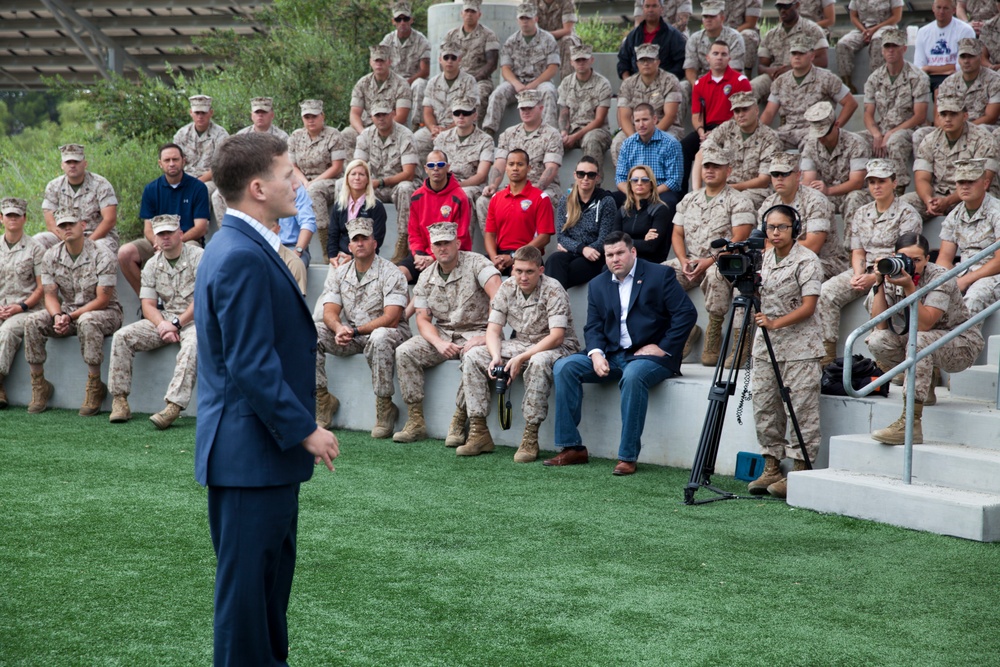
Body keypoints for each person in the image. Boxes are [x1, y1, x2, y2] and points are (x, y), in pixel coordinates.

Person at [194, 132, 339, 666]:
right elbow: (250, 364)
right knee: (246, 602)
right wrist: (306, 429)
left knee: (267, 595)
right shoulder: (239, 255)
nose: (296, 181)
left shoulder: (247, 245)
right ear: (257, 187)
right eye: (287, 173)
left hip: (261, 459)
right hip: (249, 458)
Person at [547, 231, 697, 475]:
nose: (614, 259)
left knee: (634, 374)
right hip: (612, 354)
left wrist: (663, 347)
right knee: (565, 367)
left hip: (649, 357)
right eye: (609, 255)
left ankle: (627, 456)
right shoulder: (598, 284)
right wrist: (596, 354)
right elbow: (593, 326)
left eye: (619, 253)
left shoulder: (660, 275)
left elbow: (686, 313)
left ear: (633, 252)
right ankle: (572, 447)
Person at [461, 244, 580, 459]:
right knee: (473, 355)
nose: (523, 277)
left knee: (539, 361)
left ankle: (530, 437)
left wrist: (521, 358)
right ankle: (479, 432)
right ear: (512, 269)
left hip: (557, 346)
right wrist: (496, 356)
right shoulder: (507, 288)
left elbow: (557, 336)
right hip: (522, 342)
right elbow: (493, 330)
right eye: (518, 271)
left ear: (540, 271)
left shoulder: (553, 289)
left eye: (529, 272)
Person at [867, 232, 984, 443]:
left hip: (960, 343)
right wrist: (879, 284)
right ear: (894, 256)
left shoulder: (940, 276)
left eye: (917, 260)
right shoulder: (890, 273)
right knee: (878, 340)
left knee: (920, 340)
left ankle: (910, 423)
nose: (910, 265)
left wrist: (909, 287)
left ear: (927, 259)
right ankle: (926, 383)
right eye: (904, 258)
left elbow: (925, 323)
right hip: (924, 341)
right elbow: (880, 323)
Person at [392, 222, 502, 444]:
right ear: (431, 248)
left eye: (447, 243)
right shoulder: (426, 276)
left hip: (477, 332)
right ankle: (415, 421)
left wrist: (488, 335)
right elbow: (422, 318)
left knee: (473, 357)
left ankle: (459, 420)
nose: (442, 248)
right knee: (405, 351)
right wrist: (437, 342)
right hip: (442, 335)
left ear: (457, 243)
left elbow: (498, 294)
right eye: (438, 244)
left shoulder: (476, 263)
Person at [746, 204, 824, 499]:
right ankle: (771, 466)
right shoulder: (761, 258)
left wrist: (775, 322)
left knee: (801, 411)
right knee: (765, 407)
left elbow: (809, 306)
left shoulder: (807, 260)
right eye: (770, 227)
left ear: (795, 229)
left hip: (800, 347)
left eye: (782, 227)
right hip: (766, 347)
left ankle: (801, 470)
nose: (775, 233)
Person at [817, 159, 922, 365]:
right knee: (826, 292)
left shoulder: (907, 214)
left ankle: (886, 359)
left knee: (876, 298)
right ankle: (827, 353)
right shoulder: (861, 213)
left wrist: (874, 278)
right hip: (864, 269)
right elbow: (858, 251)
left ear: (894, 182)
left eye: (882, 181)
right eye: (872, 182)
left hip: (894, 272)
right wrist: (858, 274)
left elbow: (906, 258)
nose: (876, 186)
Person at [315, 217, 411, 438]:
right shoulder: (341, 273)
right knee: (312, 332)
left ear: (374, 243)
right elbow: (329, 310)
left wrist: (355, 331)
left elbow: (392, 318)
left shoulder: (391, 272)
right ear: (349, 246)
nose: (360, 243)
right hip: (354, 335)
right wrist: (339, 328)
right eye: (355, 240)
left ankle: (385, 406)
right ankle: (323, 400)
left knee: (379, 336)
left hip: (391, 335)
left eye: (364, 239)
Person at [23, 208, 123, 416]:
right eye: (62, 226)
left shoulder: (102, 254)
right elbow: (49, 294)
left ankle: (95, 385)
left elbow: (103, 299)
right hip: (68, 312)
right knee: (32, 321)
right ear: (57, 231)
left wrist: (70, 317)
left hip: (106, 313)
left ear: (83, 226)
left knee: (87, 321)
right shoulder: (51, 256)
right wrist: (57, 316)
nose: (67, 229)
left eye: (71, 224)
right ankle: (39, 384)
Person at [108, 215, 201, 428]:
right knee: (123, 336)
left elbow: (202, 299)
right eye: (161, 234)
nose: (165, 237)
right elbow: (148, 303)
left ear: (180, 233)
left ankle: (173, 406)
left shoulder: (198, 257)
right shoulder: (152, 264)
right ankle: (120, 400)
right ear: (155, 239)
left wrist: (176, 324)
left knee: (193, 344)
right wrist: (161, 325)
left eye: (169, 232)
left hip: (196, 320)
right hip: (165, 318)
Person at [666, 146, 756, 365]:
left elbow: (739, 238)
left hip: (725, 262)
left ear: (728, 170)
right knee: (658, 275)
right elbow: (677, 234)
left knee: (716, 275)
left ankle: (714, 337)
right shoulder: (689, 199)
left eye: (716, 166)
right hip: (692, 260)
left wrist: (709, 261)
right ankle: (685, 328)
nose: (710, 170)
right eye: (707, 166)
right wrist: (683, 259)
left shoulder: (739, 200)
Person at [119, 143, 210, 295]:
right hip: (157, 241)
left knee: (197, 252)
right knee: (125, 253)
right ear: (160, 164)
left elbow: (200, 227)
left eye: (175, 159)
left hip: (187, 241)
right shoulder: (151, 189)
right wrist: (159, 243)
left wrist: (175, 241)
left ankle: (191, 302)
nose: (172, 164)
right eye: (167, 160)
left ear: (184, 161)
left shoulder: (198, 188)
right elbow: (148, 228)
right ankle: (147, 300)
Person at [900, 95, 1000, 221]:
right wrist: (929, 200)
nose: (948, 119)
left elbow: (984, 181)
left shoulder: (984, 140)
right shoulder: (929, 140)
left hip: (972, 195)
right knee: (903, 206)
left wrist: (947, 201)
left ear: (964, 116)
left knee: (977, 204)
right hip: (938, 195)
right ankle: (911, 240)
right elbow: (922, 178)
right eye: (943, 114)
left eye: (953, 114)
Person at [859, 27, 932, 193]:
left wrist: (891, 133)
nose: (891, 50)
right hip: (882, 128)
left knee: (895, 141)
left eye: (895, 46)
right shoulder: (874, 78)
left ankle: (897, 189)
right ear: (882, 50)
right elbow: (868, 114)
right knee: (856, 140)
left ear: (904, 49)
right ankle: (865, 185)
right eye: (887, 47)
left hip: (909, 129)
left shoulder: (917, 76)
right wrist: (876, 134)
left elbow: (919, 116)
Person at [477, 90, 564, 229]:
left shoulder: (552, 134)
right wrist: (493, 185)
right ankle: (495, 246)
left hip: (542, 187)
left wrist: (537, 188)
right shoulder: (508, 134)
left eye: (530, 108)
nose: (526, 111)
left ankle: (527, 249)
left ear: (541, 108)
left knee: (535, 201)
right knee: (484, 201)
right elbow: (500, 163)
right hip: (513, 187)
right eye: (523, 108)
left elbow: (551, 167)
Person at [759, 34, 857, 150]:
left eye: (801, 53)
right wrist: (759, 133)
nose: (797, 57)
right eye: (794, 53)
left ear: (812, 56)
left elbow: (851, 103)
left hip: (814, 132)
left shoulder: (826, 78)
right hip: (788, 131)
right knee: (765, 144)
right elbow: (769, 113)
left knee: (811, 148)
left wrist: (834, 128)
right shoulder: (780, 81)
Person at [682, 38, 752, 199]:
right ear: (708, 58)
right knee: (684, 146)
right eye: (715, 53)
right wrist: (700, 132)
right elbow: (695, 115)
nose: (719, 57)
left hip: (731, 128)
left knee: (703, 151)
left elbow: (745, 113)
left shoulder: (740, 81)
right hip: (707, 129)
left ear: (729, 58)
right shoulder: (700, 83)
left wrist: (712, 134)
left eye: (723, 54)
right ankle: (684, 193)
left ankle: (699, 193)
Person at [759, 151, 846, 281]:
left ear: (798, 175)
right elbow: (762, 244)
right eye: (775, 174)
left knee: (786, 278)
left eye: (785, 173)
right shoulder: (768, 204)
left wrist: (778, 247)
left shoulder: (816, 200)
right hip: (779, 261)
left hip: (823, 262)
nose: (779, 178)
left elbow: (812, 246)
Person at [354, 100, 421, 264]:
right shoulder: (365, 136)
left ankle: (403, 242)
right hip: (375, 185)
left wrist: (381, 182)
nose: (381, 118)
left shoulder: (405, 135)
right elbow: (357, 166)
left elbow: (409, 174)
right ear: (371, 117)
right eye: (377, 115)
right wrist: (365, 182)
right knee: (348, 183)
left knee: (405, 188)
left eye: (385, 114)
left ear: (393, 114)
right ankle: (353, 238)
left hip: (399, 184)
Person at [800, 100, 873, 248]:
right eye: (818, 134)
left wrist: (828, 190)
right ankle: (810, 247)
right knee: (807, 199)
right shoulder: (810, 145)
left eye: (825, 133)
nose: (821, 138)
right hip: (828, 196)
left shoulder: (855, 143)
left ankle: (851, 248)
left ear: (836, 125)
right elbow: (808, 179)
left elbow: (857, 182)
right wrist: (816, 190)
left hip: (857, 194)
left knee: (854, 198)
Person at [482, 1, 560, 136]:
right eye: (522, 18)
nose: (525, 21)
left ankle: (549, 133)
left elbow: (552, 68)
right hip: (517, 84)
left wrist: (533, 84)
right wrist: (517, 84)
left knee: (549, 92)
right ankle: (489, 131)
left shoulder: (548, 39)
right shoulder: (511, 41)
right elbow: (505, 68)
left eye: (528, 18)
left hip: (539, 83)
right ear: (518, 20)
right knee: (497, 93)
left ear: (536, 19)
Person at [695, 90, 780, 209]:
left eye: (745, 109)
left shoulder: (769, 138)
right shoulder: (727, 128)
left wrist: (729, 189)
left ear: (756, 110)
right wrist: (697, 191)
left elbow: (763, 180)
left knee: (737, 203)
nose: (740, 115)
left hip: (755, 192)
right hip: (724, 188)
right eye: (737, 111)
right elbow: (700, 155)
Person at [398, 150, 473, 284]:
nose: (436, 169)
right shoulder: (417, 196)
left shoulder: (460, 197)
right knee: (397, 278)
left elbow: (460, 236)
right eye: (431, 165)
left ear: (447, 167)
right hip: (423, 256)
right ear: (426, 169)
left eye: (440, 164)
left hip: (451, 256)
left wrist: (433, 257)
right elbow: (414, 233)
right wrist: (418, 255)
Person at [936, 158, 1000, 315]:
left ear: (985, 183)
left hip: (993, 276)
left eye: (971, 181)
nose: (965, 186)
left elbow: (999, 261)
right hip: (962, 273)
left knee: (973, 299)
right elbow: (944, 258)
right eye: (961, 182)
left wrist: (966, 280)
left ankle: (968, 340)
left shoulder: (996, 211)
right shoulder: (954, 215)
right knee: (935, 298)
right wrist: (947, 283)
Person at [288, 99, 347, 262]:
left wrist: (312, 183)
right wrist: (304, 182)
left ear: (322, 116)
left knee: (314, 190)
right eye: (307, 117)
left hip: (329, 181)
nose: (311, 120)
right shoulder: (296, 136)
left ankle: (327, 248)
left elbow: (337, 167)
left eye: (314, 116)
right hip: (302, 182)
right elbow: (292, 166)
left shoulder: (333, 135)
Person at [545, 157, 618, 288]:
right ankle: (556, 305)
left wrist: (586, 250)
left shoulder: (606, 201)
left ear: (597, 177)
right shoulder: (565, 200)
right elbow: (561, 237)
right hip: (574, 252)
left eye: (591, 175)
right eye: (581, 174)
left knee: (565, 272)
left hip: (595, 256)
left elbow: (605, 239)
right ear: (575, 175)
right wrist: (581, 249)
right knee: (553, 260)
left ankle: (555, 305)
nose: (585, 178)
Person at [0, 198, 44, 409]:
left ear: (24, 218)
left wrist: (22, 306)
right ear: (1, 218)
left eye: (17, 215)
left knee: (7, 331)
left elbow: (41, 287)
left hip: (27, 309)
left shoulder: (35, 249)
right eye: (9, 215)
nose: (13, 219)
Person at [612, 43, 686, 167]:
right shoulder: (628, 84)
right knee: (618, 143)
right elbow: (624, 117)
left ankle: (661, 184)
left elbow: (670, 116)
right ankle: (626, 183)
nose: (646, 63)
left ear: (657, 62)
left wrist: (651, 136)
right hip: (635, 129)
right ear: (637, 64)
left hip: (665, 128)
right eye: (642, 60)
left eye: (650, 60)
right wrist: (636, 140)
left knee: (666, 143)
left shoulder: (670, 81)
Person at [484, 149, 556, 275]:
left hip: (529, 256)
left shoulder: (540, 198)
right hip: (500, 257)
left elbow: (544, 237)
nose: (515, 168)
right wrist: (494, 259)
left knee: (517, 276)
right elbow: (490, 234)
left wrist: (514, 257)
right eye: (511, 164)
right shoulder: (496, 198)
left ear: (528, 168)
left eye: (520, 164)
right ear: (506, 168)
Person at [37, 143, 119, 253]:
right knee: (38, 242)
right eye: (68, 162)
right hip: (65, 236)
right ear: (62, 165)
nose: (72, 165)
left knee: (101, 248)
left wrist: (87, 243)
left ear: (85, 163)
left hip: (97, 236)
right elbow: (50, 223)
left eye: (76, 162)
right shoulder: (54, 186)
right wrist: (69, 243)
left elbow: (109, 220)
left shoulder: (101, 184)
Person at [433, 97, 495, 231]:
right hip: (443, 183)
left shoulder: (485, 140)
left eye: (466, 113)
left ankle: (464, 246)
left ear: (474, 115)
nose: (461, 116)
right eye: (457, 113)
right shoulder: (442, 138)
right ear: (452, 115)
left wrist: (456, 186)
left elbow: (481, 176)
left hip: (472, 186)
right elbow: (435, 166)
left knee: (463, 195)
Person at [413, 39, 479, 161]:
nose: (449, 61)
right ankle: (417, 179)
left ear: (459, 60)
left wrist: (445, 131)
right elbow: (427, 110)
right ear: (440, 59)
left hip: (460, 128)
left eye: (453, 57)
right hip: (436, 129)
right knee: (413, 144)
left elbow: (469, 114)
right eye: (446, 57)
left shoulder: (469, 81)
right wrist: (433, 128)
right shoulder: (433, 82)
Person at [751, 0, 829, 101]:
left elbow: (823, 61)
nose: (782, 10)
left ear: (797, 5)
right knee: (749, 89)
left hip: (804, 76)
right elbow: (762, 66)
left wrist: (791, 69)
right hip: (775, 77)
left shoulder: (812, 29)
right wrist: (770, 70)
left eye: (786, 6)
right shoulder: (770, 35)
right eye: (779, 7)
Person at [344, 45, 414, 151]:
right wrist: (363, 132)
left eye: (382, 60)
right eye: (376, 61)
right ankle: (352, 167)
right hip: (365, 127)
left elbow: (401, 116)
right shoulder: (362, 83)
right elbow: (354, 114)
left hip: (391, 128)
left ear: (389, 62)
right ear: (370, 62)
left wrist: (380, 132)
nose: (379, 64)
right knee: (346, 135)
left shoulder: (401, 84)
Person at [615, 103, 683, 210]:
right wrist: (634, 192)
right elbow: (620, 178)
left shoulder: (671, 143)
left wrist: (649, 193)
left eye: (645, 119)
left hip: (660, 191)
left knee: (669, 202)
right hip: (634, 190)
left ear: (655, 119)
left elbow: (674, 181)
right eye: (637, 121)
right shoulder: (627, 144)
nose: (641, 124)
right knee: (610, 199)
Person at [557, 44, 614, 168]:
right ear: (572, 62)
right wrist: (564, 134)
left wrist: (575, 137)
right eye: (578, 60)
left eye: (584, 59)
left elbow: (599, 120)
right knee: (550, 141)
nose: (581, 63)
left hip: (596, 131)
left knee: (591, 140)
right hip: (571, 130)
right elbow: (563, 113)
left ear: (591, 60)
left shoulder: (602, 84)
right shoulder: (566, 83)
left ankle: (593, 183)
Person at [173, 95, 229, 215]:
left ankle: (201, 229)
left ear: (211, 113)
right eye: (197, 112)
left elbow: (221, 166)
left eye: (203, 113)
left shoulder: (220, 134)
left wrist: (198, 181)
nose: (200, 116)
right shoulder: (182, 134)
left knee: (200, 191)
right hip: (185, 178)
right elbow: (175, 161)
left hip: (211, 179)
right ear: (191, 113)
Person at [445, 0, 501, 119]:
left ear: (479, 14)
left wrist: (471, 80)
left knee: (478, 96)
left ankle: (475, 131)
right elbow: (444, 60)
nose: (469, 14)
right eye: (467, 11)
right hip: (455, 78)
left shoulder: (488, 35)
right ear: (461, 13)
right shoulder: (451, 35)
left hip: (480, 80)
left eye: (473, 11)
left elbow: (492, 64)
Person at [328, 159, 388, 267]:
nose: (357, 178)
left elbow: (377, 238)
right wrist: (332, 256)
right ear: (347, 178)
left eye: (361, 174)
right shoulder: (339, 205)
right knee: (331, 282)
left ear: (367, 180)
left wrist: (353, 257)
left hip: (366, 257)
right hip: (342, 257)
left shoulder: (376, 206)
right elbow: (333, 234)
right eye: (353, 174)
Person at [835, 0, 903, 88]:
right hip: (863, 28)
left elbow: (896, 17)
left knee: (877, 41)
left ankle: (877, 82)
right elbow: (853, 16)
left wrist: (874, 29)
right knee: (842, 44)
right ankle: (847, 83)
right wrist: (864, 31)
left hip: (885, 27)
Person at [380, 1, 431, 117]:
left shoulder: (421, 41)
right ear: (394, 21)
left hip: (412, 80)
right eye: (399, 19)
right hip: (392, 80)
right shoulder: (388, 40)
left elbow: (425, 71)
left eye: (406, 19)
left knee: (419, 85)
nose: (402, 22)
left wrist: (406, 82)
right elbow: (379, 62)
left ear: (411, 20)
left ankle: (417, 124)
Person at [683, 2, 747, 92]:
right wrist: (695, 84)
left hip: (728, 80)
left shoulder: (734, 37)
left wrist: (715, 86)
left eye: (712, 16)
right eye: (705, 16)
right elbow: (690, 68)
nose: (708, 20)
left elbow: (734, 69)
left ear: (722, 18)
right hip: (703, 80)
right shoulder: (694, 38)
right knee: (683, 87)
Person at [615, 165, 674, 263]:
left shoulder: (660, 209)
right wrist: (642, 240)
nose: (639, 183)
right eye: (635, 180)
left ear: (651, 184)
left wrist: (623, 242)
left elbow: (651, 247)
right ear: (630, 184)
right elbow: (613, 241)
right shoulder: (623, 210)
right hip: (624, 260)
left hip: (649, 262)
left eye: (645, 180)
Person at [914, 0, 977, 91]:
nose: (941, 11)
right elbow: (919, 67)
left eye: (946, 8)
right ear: (933, 8)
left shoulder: (965, 30)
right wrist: (945, 68)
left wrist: (929, 68)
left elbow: (961, 66)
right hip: (928, 77)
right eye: (938, 7)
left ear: (954, 10)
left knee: (939, 90)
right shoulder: (923, 32)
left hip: (957, 77)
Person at [618, 0, 687, 81]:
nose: (650, 10)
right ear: (643, 9)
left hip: (665, 86)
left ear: (661, 9)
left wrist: (666, 81)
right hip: (636, 87)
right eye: (647, 6)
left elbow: (681, 63)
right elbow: (623, 62)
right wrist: (628, 82)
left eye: (654, 6)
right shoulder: (633, 36)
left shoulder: (674, 35)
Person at [277, 184, 316, 269]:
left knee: (295, 265)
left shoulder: (295, 187)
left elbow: (308, 222)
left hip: (292, 247)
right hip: (264, 247)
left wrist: (298, 251)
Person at [725, 0, 763, 75]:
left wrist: (731, 36)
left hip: (741, 31)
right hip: (719, 29)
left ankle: (745, 76)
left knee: (748, 37)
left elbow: (750, 23)